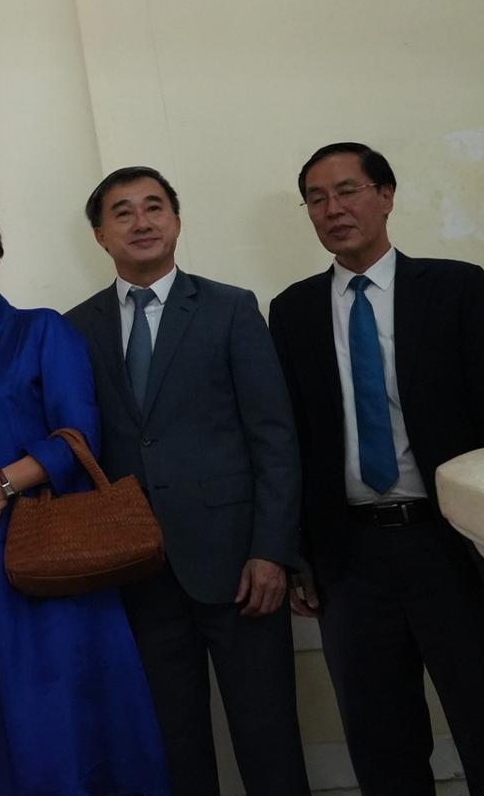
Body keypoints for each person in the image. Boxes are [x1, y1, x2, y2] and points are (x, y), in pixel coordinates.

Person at [268, 142, 484, 795]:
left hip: (452, 546)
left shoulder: (455, 287)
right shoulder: (293, 311)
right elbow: (291, 438)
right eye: (317, 198)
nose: (333, 209)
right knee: (381, 741)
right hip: (349, 559)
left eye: (348, 190)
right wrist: (300, 552)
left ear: (386, 195)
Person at [0, 194, 168, 794]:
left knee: (60, 725)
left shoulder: (44, 330)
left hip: (51, 562)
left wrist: (1, 485)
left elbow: (78, 436)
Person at [65, 167, 309, 795]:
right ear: (100, 234)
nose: (141, 222)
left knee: (270, 742)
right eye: (123, 212)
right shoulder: (76, 328)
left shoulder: (229, 307)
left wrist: (272, 551)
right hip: (139, 572)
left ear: (176, 220)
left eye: (154, 208)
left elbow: (274, 436)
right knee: (171, 754)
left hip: (238, 568)